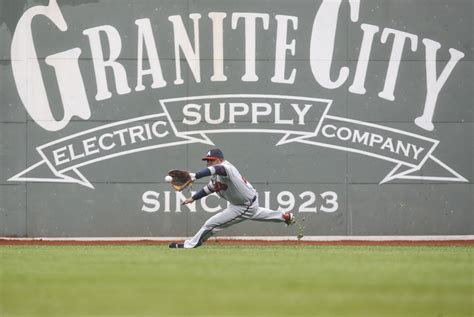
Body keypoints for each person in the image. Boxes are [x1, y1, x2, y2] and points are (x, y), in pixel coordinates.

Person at [169, 148, 295, 248]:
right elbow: (210, 188)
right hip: (244, 201)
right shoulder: (216, 174)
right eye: (207, 160)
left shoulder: (226, 168)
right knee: (255, 213)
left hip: (244, 205)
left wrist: (195, 175)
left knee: (211, 224)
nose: (208, 163)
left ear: (219, 160)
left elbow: (216, 168)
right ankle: (283, 216)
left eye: (211, 160)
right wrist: (193, 198)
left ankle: (191, 245)